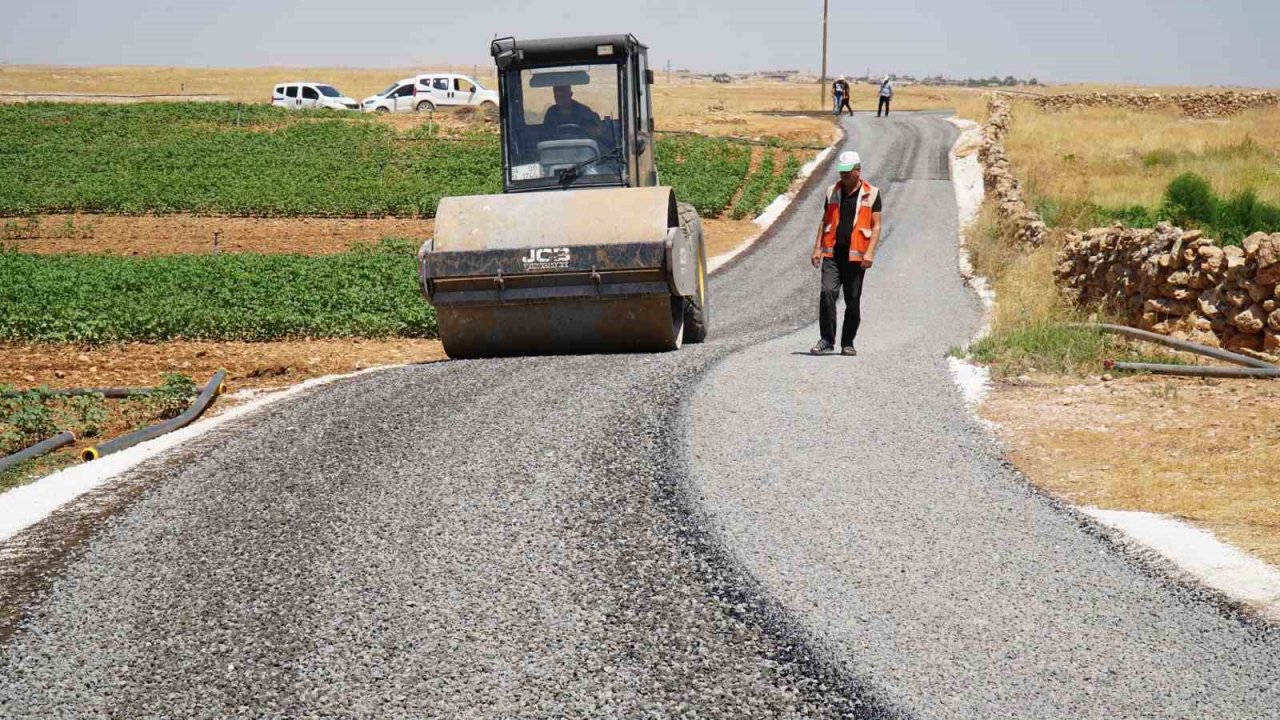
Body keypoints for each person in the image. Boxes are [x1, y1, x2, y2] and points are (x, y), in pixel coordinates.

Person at [810, 150, 882, 356]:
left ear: (858, 171)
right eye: (841, 171)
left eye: (847, 172)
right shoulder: (832, 191)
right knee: (827, 292)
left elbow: (876, 226)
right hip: (833, 253)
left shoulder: (872, 193)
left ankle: (848, 342)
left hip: (856, 257)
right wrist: (817, 248)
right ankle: (827, 339)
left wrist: (870, 252)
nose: (843, 175)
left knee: (852, 300)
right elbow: (825, 220)